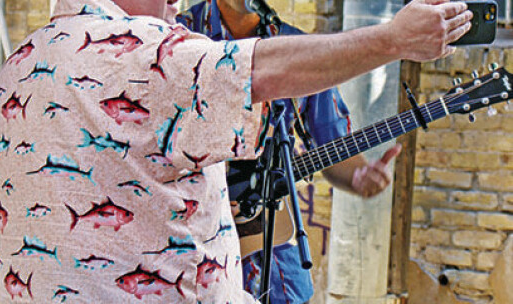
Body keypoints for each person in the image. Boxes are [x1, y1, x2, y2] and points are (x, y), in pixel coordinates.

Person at [0, 0, 471, 303]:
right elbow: (261, 70)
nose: (176, 5)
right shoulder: (152, 51)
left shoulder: (0, 89)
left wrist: (359, 179)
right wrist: (393, 39)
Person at [175, 0, 423, 302]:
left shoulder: (300, 50)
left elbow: (334, 149)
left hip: (261, 238)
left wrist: (358, 176)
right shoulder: (177, 34)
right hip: (185, 239)